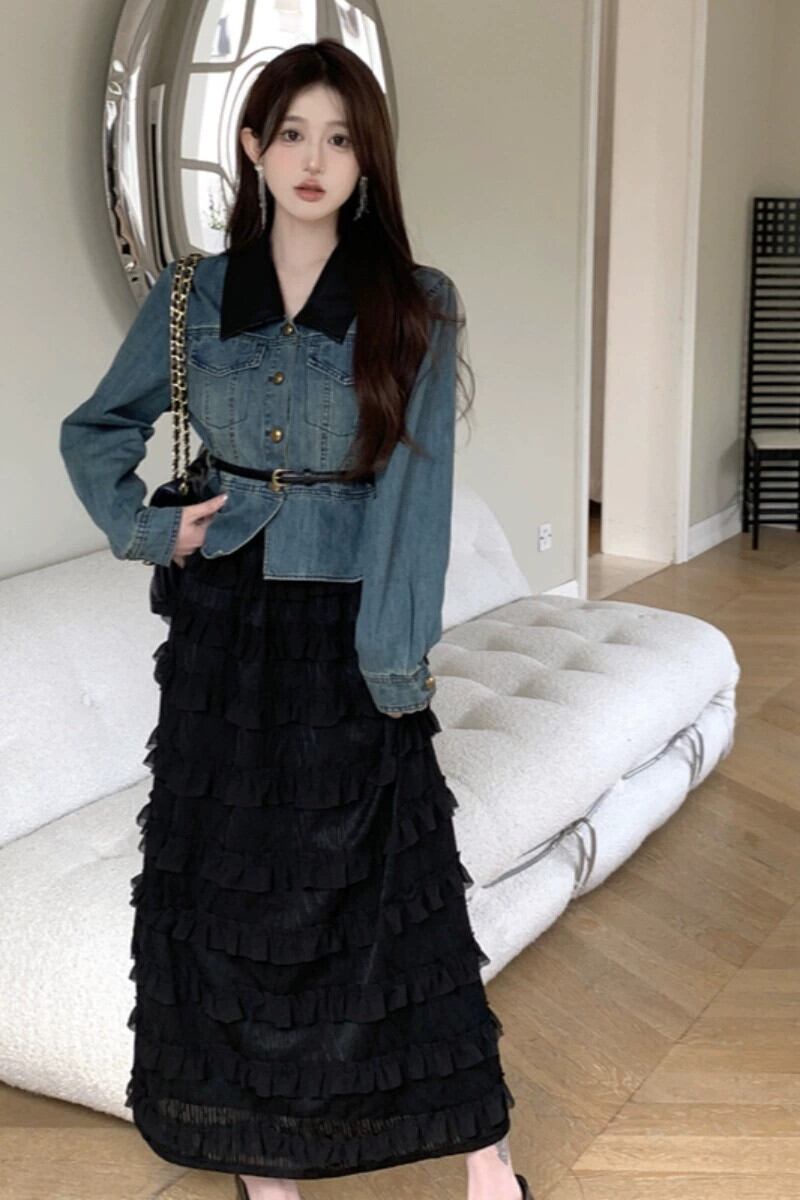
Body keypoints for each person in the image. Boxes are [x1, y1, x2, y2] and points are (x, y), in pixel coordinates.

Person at [59, 37, 531, 1200]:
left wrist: (391, 660)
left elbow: (414, 498)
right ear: (252, 148)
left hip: (349, 627)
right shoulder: (191, 297)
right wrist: (146, 528)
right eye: (291, 134)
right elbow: (96, 429)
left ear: (366, 159)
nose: (313, 158)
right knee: (229, 891)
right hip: (222, 627)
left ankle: (484, 1154)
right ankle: (259, 1163)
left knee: (394, 885)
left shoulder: (416, 303)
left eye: (339, 137)